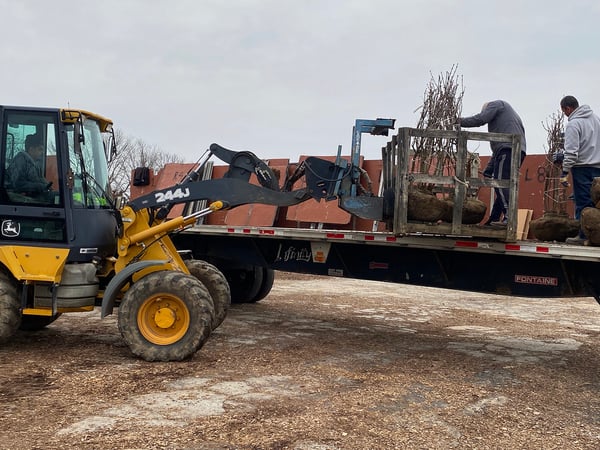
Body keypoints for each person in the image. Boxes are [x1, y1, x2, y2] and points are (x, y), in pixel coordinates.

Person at [459, 100, 527, 227]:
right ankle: (494, 218)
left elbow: (480, 119)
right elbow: (497, 151)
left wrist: (459, 121)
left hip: (508, 148)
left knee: (500, 182)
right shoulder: (508, 117)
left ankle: (509, 217)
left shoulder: (496, 104)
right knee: (504, 184)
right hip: (517, 150)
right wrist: (489, 169)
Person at [556, 95, 600, 245]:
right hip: (598, 167)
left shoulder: (574, 124)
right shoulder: (596, 119)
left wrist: (565, 171)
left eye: (564, 112)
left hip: (582, 168)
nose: (565, 115)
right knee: (596, 202)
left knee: (583, 203)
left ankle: (582, 236)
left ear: (567, 108)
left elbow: (572, 152)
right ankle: (594, 236)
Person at [8, 133, 53, 200]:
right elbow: (17, 184)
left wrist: (46, 185)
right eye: (40, 149)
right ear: (31, 149)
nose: (42, 153)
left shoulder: (34, 164)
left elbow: (37, 179)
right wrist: (40, 186)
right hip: (18, 198)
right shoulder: (20, 161)